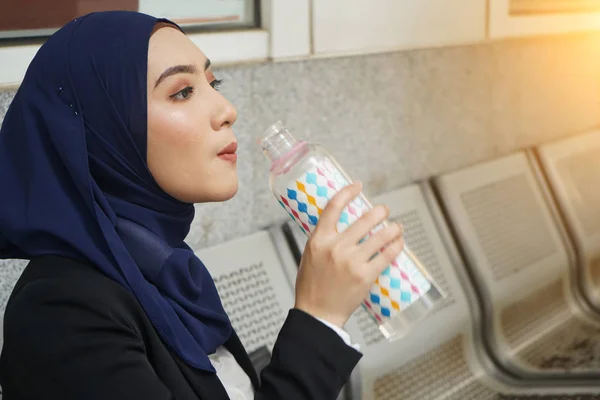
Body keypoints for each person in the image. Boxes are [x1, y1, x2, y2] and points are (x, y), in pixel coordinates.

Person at [0, 11, 404, 400]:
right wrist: (319, 317)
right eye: (182, 92)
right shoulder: (62, 315)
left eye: (215, 83)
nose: (227, 110)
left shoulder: (160, 268)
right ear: (104, 130)